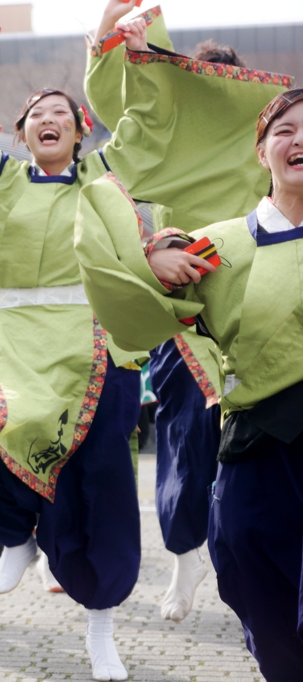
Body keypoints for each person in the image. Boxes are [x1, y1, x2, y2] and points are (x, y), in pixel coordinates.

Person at [0, 12, 290, 680]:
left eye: (62, 111)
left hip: (93, 352)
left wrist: (140, 57)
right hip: (14, 346)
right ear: (23, 133)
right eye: (36, 115)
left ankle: (101, 630)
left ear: (81, 129)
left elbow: (146, 127)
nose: (49, 119)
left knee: (99, 493)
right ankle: (20, 534)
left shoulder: (105, 175)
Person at [74, 86, 303, 682]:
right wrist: (150, 261)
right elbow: (131, 295)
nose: (299, 140)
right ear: (261, 153)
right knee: (249, 571)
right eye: (285, 130)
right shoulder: (221, 244)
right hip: (256, 441)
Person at [84, 0, 283, 623]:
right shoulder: (168, 133)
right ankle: (184, 552)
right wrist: (118, 39)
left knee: (261, 437)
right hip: (187, 293)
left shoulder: (268, 142)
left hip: (258, 300)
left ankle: (249, 554)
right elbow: (122, 107)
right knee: (187, 435)